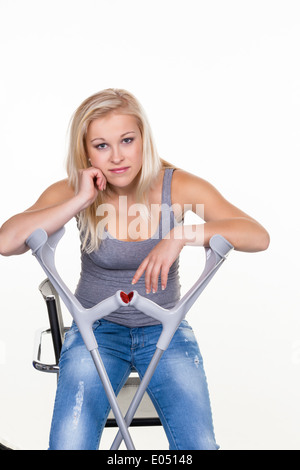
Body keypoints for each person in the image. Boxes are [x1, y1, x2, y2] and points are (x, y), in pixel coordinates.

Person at [0, 88, 270, 450]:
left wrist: (182, 233)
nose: (117, 157)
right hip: (95, 331)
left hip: (165, 330)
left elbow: (257, 235)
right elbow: (7, 242)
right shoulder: (75, 189)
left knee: (199, 447)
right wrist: (80, 199)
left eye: (127, 140)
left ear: (144, 138)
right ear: (85, 151)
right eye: (101, 145)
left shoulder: (176, 185)